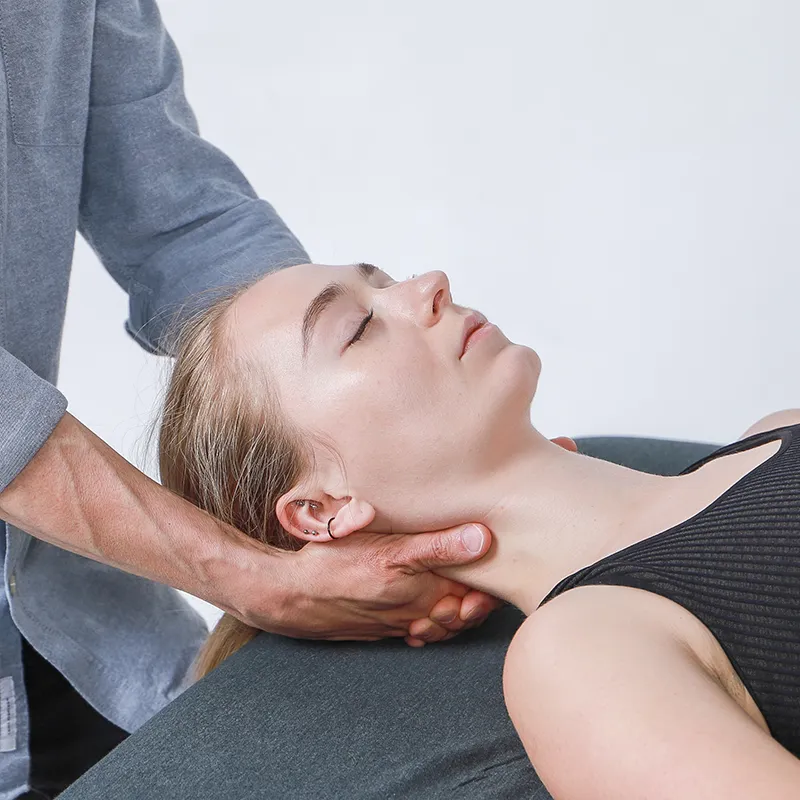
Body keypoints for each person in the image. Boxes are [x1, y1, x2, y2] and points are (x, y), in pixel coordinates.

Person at [0, 4, 500, 798]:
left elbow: (178, 219)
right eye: (362, 326)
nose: (431, 284)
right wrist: (255, 577)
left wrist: (359, 463)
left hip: (67, 633)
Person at [150, 260, 800, 797]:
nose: (430, 283)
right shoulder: (581, 655)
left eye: (384, 279)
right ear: (323, 509)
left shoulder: (775, 428)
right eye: (359, 326)